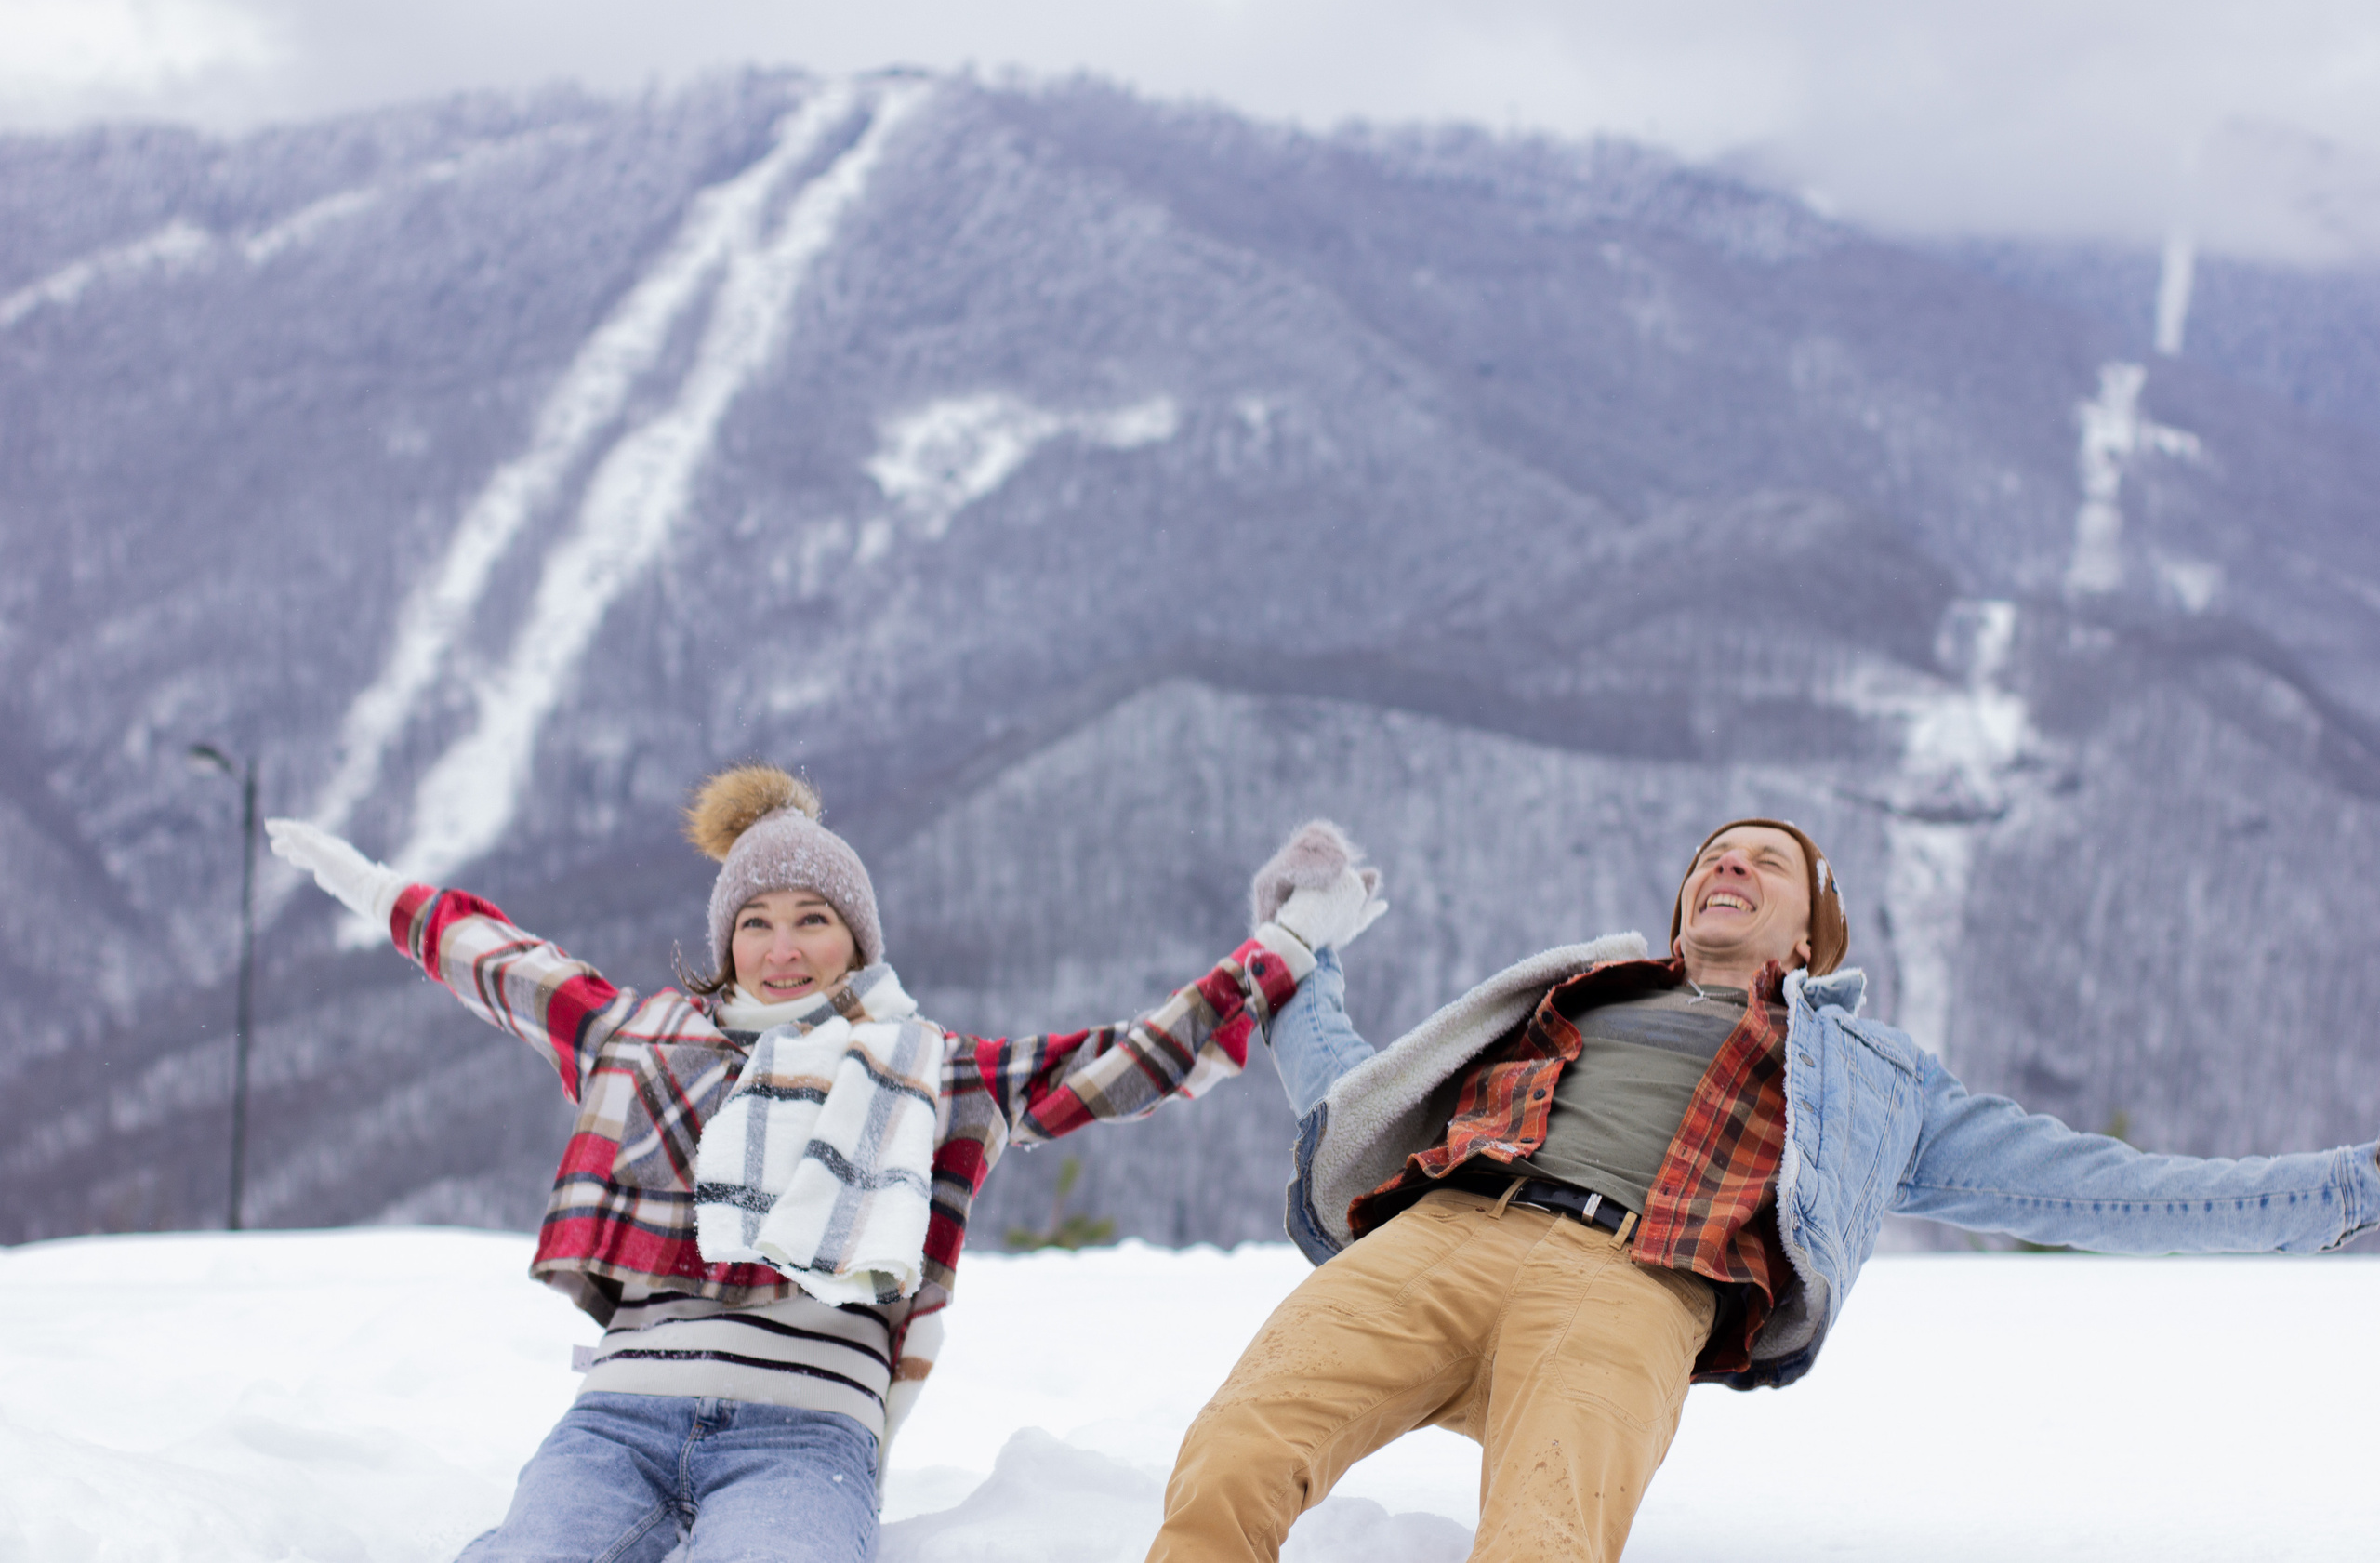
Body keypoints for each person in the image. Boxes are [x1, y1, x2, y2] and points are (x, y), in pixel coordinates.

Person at [1150, 817, 2380, 1563]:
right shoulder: (1572, 989)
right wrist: (1301, 954)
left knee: (1548, 1538)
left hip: (1632, 1290)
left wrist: (2347, 1191)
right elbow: (1360, 1095)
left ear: (1808, 936)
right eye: (1712, 858)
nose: (1727, 864)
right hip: (1439, 1239)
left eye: (1766, 862)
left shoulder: (1872, 1076)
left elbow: (2107, 1187)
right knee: (1232, 1458)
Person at [267, 769, 1384, 1563]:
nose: (783, 946)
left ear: (857, 939)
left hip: (806, 1435)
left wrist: (1283, 949)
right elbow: (499, 963)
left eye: (812, 918)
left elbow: (1131, 1058)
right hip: (616, 1421)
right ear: (725, 941)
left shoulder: (932, 1072)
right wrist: (368, 886)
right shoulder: (645, 1037)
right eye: (755, 921)